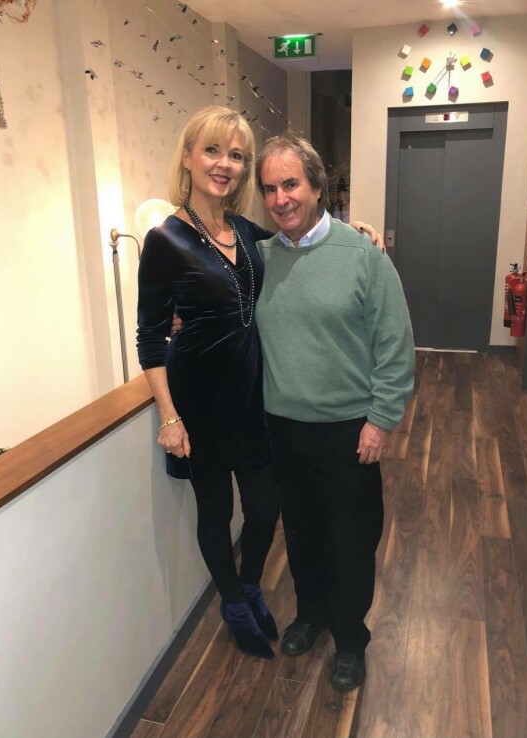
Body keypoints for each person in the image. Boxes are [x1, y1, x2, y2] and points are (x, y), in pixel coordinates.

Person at [137, 106, 379, 661]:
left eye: (236, 155)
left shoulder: (246, 232)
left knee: (266, 508)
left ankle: (249, 586)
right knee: (216, 511)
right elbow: (149, 337)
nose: (225, 164)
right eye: (212, 151)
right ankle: (233, 602)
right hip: (199, 400)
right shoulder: (164, 240)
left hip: (254, 401)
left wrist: (353, 231)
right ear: (188, 157)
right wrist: (169, 417)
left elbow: (303, 243)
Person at [254, 133, 415, 691]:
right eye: (270, 189)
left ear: (318, 186)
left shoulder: (363, 255)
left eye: (291, 184)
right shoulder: (261, 259)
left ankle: (350, 638)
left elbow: (395, 343)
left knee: (351, 539)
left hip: (349, 430)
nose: (281, 198)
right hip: (283, 427)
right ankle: (312, 614)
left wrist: (381, 419)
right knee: (302, 536)